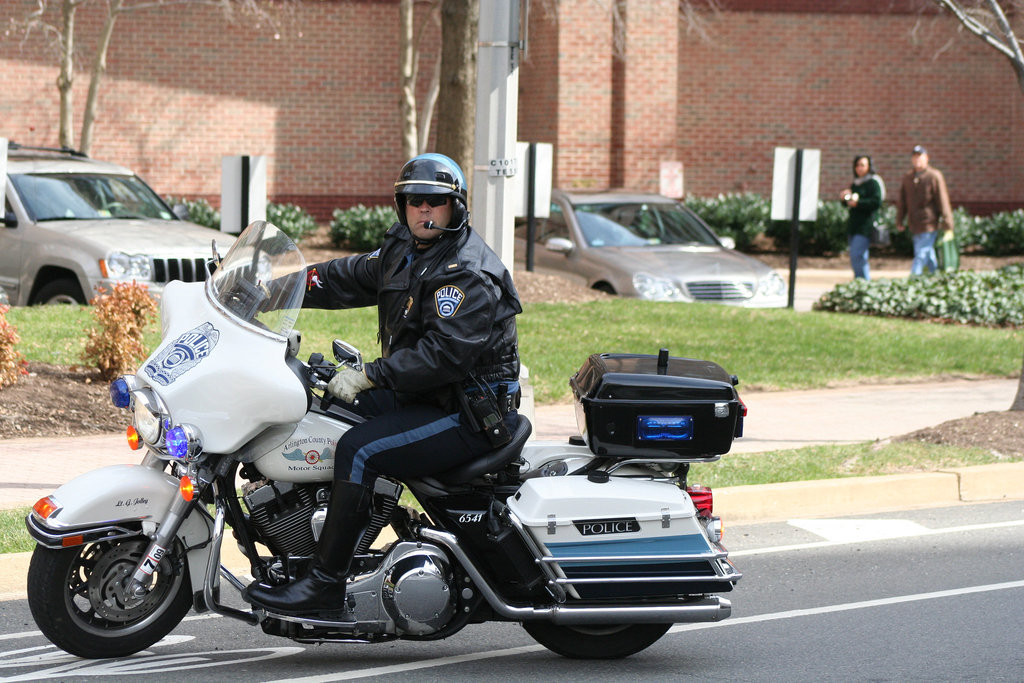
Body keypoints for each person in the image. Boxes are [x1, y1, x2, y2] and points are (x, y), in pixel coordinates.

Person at [243, 153, 523, 616]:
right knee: (321, 415)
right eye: (415, 201)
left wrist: (370, 374)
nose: (425, 211)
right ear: (402, 206)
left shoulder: (468, 273)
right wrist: (270, 292)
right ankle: (311, 546)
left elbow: (444, 356)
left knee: (360, 449)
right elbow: (342, 278)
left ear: (456, 208)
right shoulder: (405, 249)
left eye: (436, 202)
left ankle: (325, 587)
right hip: (424, 396)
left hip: (468, 411)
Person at [895, 145, 953, 275]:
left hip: (929, 222)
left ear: (927, 158)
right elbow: (903, 201)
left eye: (920, 157)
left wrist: (947, 221)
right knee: (927, 252)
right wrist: (899, 219)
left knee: (921, 253)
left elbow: (942, 200)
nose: (917, 160)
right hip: (914, 222)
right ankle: (935, 276)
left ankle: (913, 278)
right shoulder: (908, 177)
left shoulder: (934, 176)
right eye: (914, 158)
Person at [840, 155, 885, 280]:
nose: (859, 168)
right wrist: (845, 198)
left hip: (866, 226)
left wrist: (858, 203)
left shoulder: (873, 183)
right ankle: (860, 281)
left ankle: (864, 282)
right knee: (858, 256)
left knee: (857, 255)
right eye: (857, 165)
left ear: (869, 167)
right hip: (854, 226)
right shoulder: (855, 184)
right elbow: (848, 204)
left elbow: (876, 202)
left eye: (863, 165)